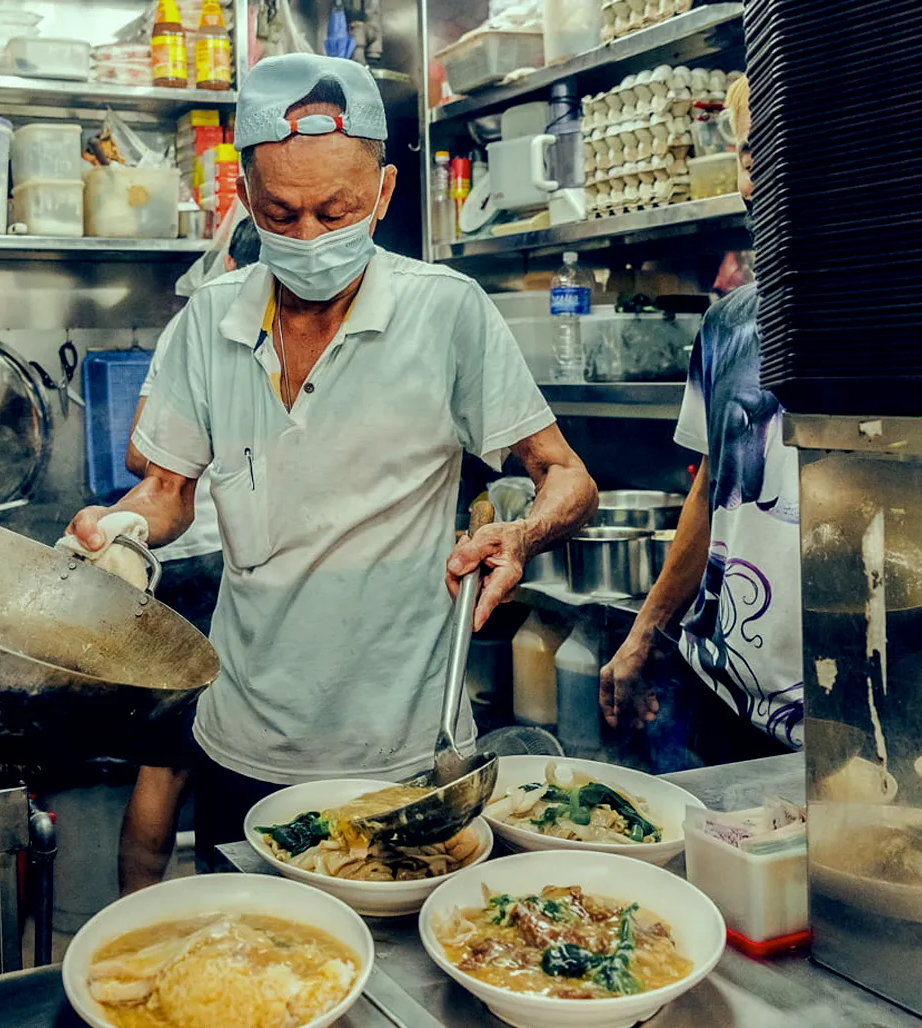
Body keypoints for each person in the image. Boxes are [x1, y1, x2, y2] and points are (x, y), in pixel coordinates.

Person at [69, 54, 599, 865]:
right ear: (246, 199)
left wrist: (521, 537)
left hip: (406, 751)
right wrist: (118, 532)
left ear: (382, 194)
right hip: (244, 742)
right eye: (281, 214)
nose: (309, 236)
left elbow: (565, 476)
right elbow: (167, 491)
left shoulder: (445, 312)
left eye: (335, 210)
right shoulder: (205, 324)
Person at [599, 76, 803, 761]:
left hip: (850, 710)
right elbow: (711, 488)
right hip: (724, 701)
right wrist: (646, 630)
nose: (750, 185)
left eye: (773, 152)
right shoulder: (728, 325)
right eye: (747, 157)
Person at [118, 216, 259, 894]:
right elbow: (142, 455)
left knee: (184, 756)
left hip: (241, 566)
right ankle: (140, 918)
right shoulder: (201, 323)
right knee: (169, 756)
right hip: (196, 563)